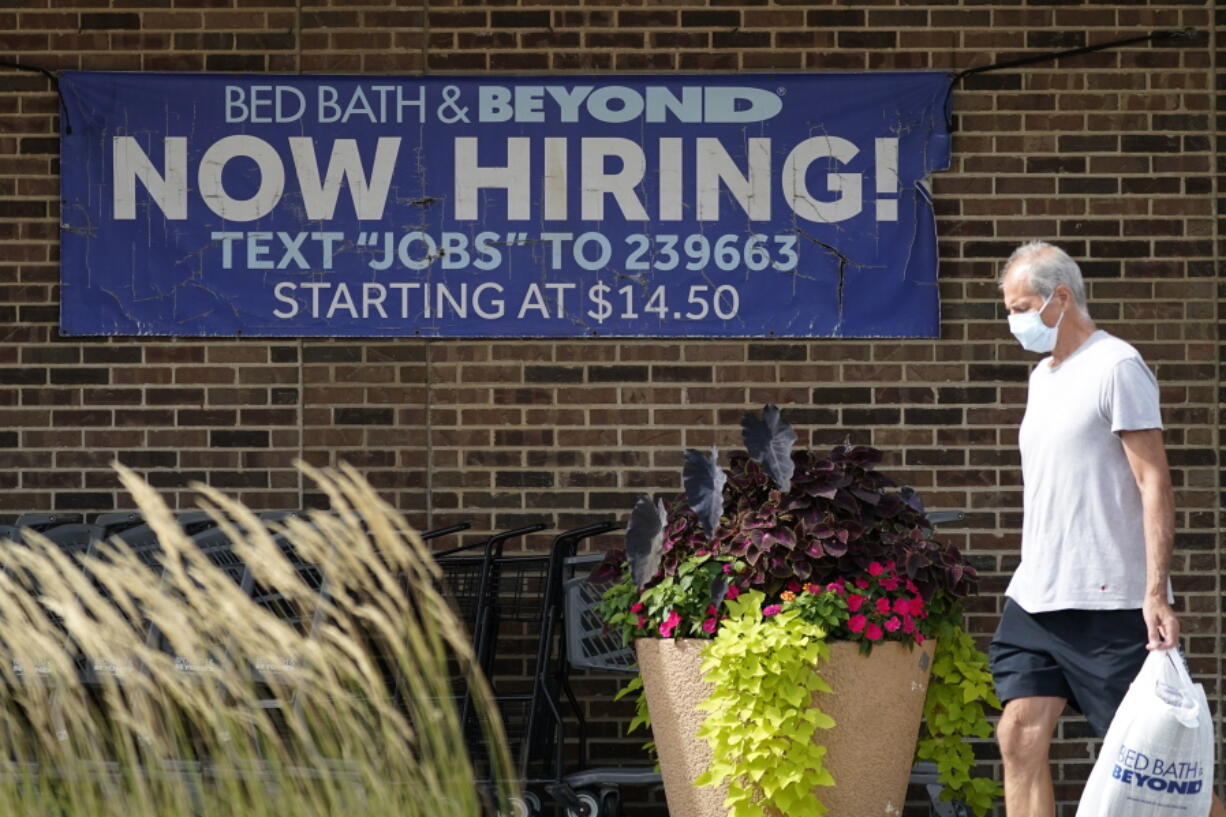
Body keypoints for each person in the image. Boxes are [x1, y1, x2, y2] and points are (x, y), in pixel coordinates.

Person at [990, 241, 1225, 817]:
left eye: (1021, 307)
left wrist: (1154, 593)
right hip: (1038, 594)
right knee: (1018, 734)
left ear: (1060, 299)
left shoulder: (1117, 366)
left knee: (1161, 762)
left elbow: (1154, 484)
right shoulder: (1042, 378)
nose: (1014, 322)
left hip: (1110, 602)